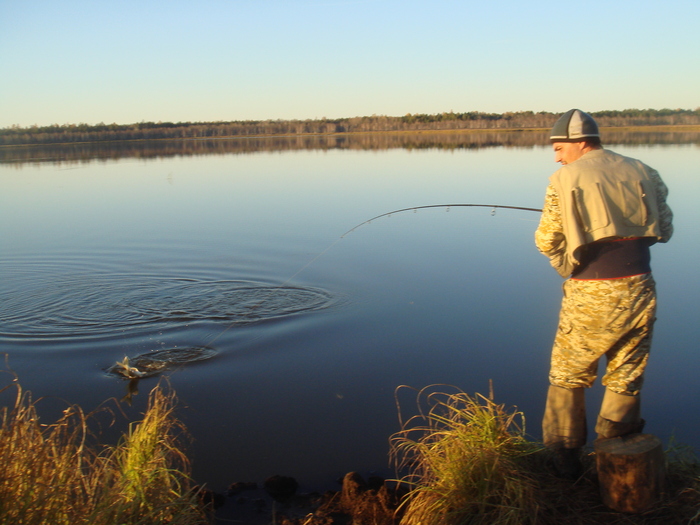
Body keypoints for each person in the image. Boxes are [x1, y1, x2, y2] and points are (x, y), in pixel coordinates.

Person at [535, 109, 673, 478]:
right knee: (627, 370)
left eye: (561, 147)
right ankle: (618, 450)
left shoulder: (563, 179)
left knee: (568, 372)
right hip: (641, 285)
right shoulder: (645, 170)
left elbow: (546, 239)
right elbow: (666, 227)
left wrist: (566, 264)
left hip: (592, 291)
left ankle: (564, 459)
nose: (557, 155)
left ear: (581, 143)